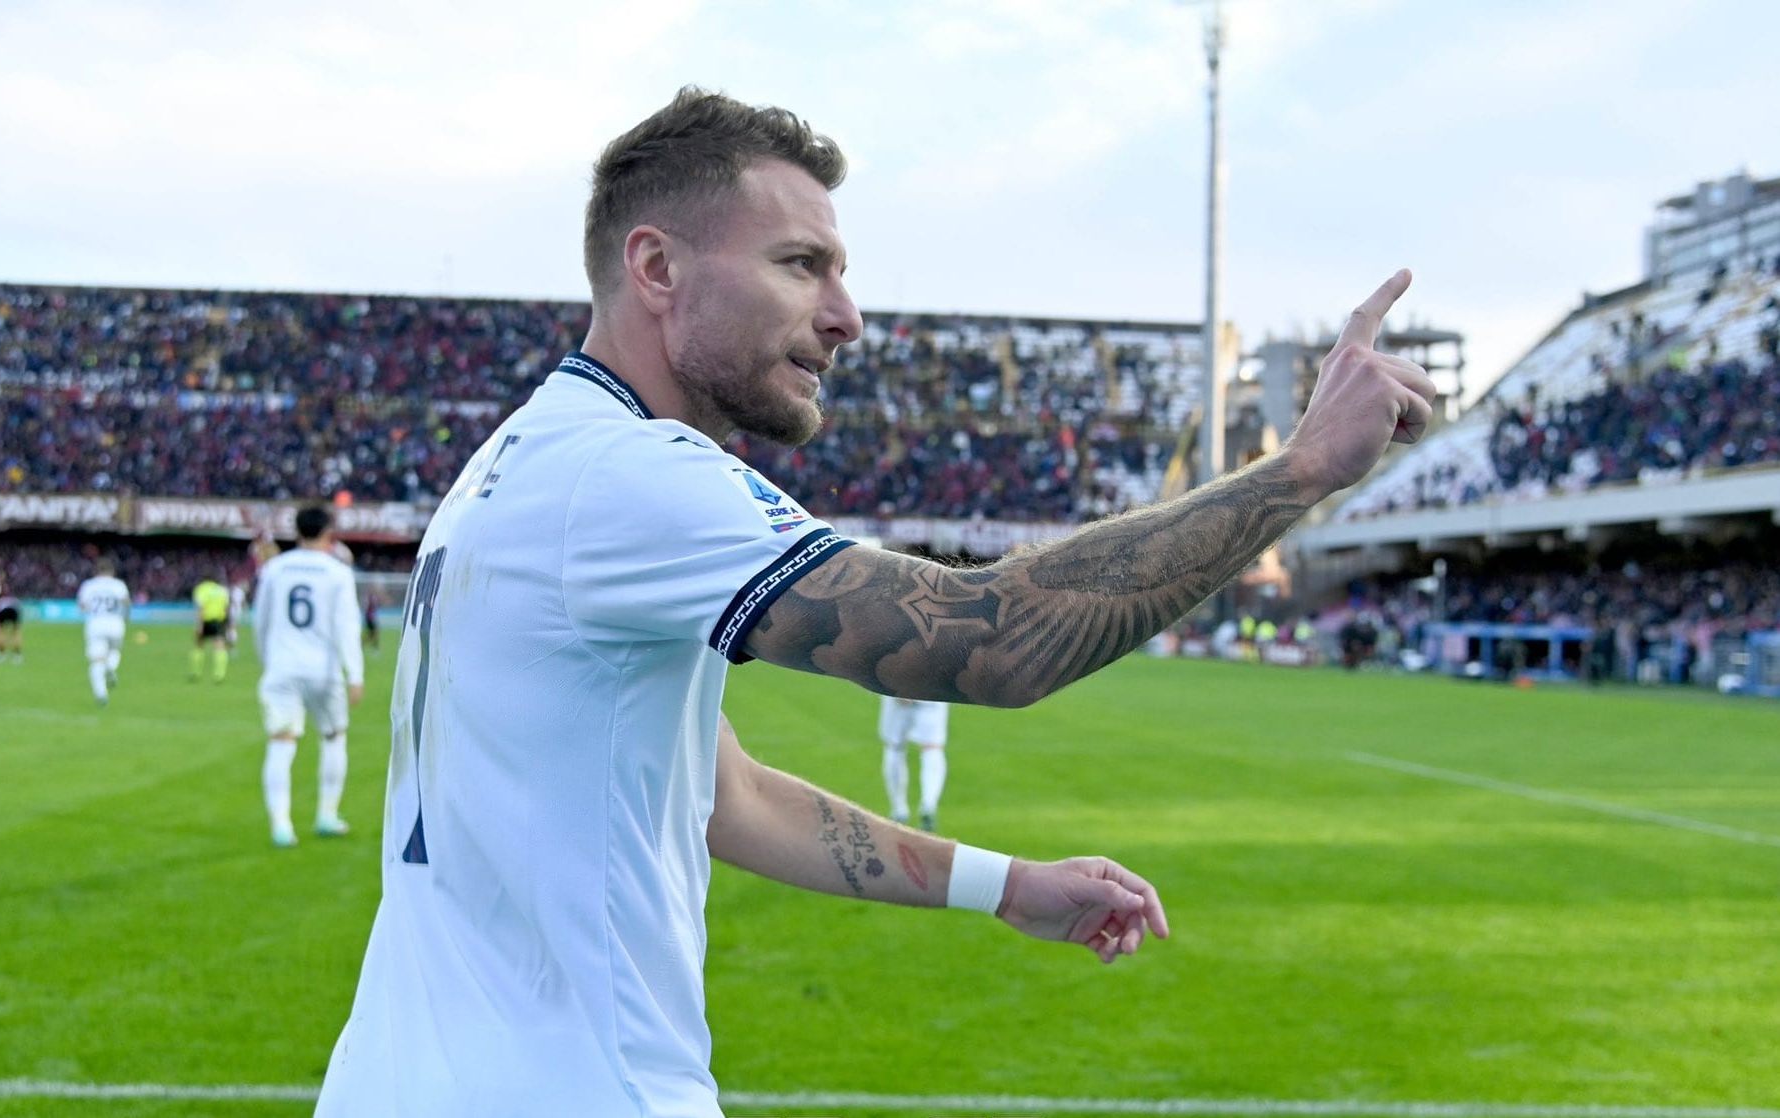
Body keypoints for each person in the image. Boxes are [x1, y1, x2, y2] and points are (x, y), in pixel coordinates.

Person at [316, 88, 1433, 1117]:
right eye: (801, 264)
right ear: (655, 266)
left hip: (402, 1079)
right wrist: (1299, 470)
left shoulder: (519, 458)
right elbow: (994, 639)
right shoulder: (627, 474)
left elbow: (725, 794)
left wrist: (1004, 886)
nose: (847, 315)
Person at [251, 506, 364, 848]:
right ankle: (327, 815)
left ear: (297, 531)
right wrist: (355, 673)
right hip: (323, 671)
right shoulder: (338, 572)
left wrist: (268, 660)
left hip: (282, 667)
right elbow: (347, 626)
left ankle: (281, 826)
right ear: (329, 533)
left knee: (281, 742)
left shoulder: (274, 568)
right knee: (333, 737)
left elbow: (260, 620)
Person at [879, 695, 951, 831]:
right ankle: (928, 804)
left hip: (898, 692)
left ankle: (899, 810)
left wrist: (898, 688)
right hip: (933, 693)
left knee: (895, 747)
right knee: (932, 747)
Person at [77, 559, 131, 706]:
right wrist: (126, 618)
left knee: (96, 661)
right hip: (116, 623)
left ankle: (101, 694)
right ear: (112, 571)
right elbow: (126, 602)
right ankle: (110, 668)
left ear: (96, 571)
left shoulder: (88, 585)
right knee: (114, 651)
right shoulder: (118, 585)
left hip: (96, 624)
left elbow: (82, 606)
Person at [190, 574, 232, 682]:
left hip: (206, 620)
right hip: (219, 621)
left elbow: (201, 607)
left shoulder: (201, 589)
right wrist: (228, 624)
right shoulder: (222, 590)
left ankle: (196, 672)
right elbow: (226, 608)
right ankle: (219, 674)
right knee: (219, 646)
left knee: (199, 645)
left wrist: (199, 625)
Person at [0, 581, 22, 664]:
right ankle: (17, 655)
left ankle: (1, 654)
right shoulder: (14, 597)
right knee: (16, 632)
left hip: (2, 609)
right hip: (14, 609)